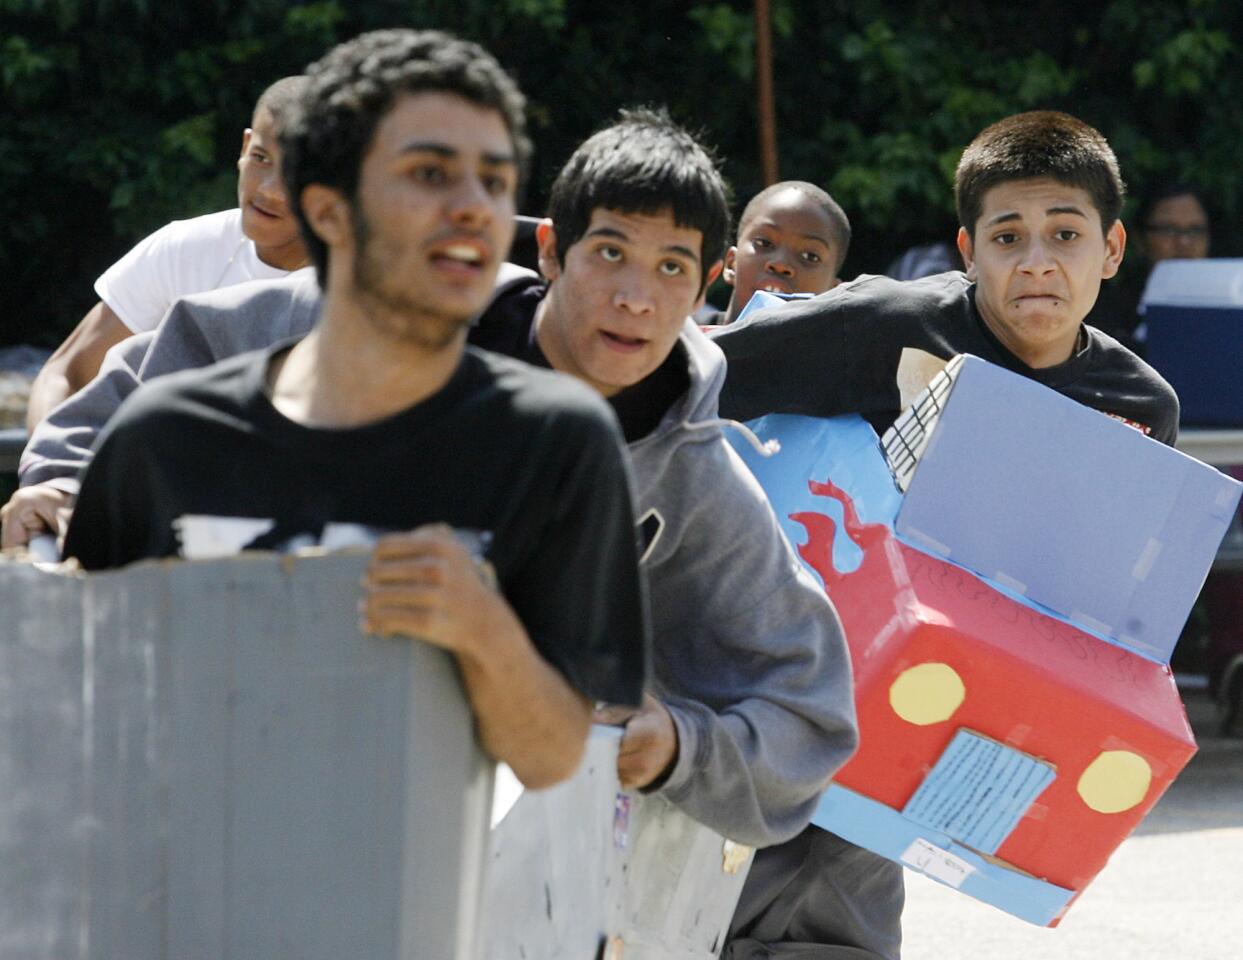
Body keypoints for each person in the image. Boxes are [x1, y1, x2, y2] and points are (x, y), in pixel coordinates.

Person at [61, 29, 648, 790]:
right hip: (173, 898)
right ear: (327, 208)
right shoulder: (163, 440)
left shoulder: (556, 443)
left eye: (495, 182)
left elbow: (553, 757)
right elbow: (79, 720)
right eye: (431, 173)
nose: (474, 210)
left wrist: (482, 629)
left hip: (414, 905)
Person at [713, 110, 1179, 958]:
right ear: (968, 252)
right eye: (1007, 235)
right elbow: (695, 371)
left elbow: (1112, 623)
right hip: (773, 697)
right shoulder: (883, 322)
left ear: (1110, 251)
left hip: (919, 734)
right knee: (689, 919)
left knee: (844, 927)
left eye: (1064, 234)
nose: (1035, 260)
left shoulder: (1139, 408)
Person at [468, 108, 858, 844]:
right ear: (551, 249)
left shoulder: (695, 482)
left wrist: (677, 744)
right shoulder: (404, 331)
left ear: (709, 279)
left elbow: (812, 715)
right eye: (609, 252)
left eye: (671, 267)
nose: (636, 297)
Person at [24, 75, 312, 431]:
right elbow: (65, 373)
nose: (271, 191)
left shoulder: (361, 287)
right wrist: (49, 475)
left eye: (297, 174)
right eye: (261, 158)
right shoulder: (184, 249)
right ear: (244, 147)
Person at [707, 181, 850, 325]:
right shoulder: (687, 339)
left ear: (831, 293)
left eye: (810, 256)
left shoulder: (844, 348)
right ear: (732, 263)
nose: (781, 264)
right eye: (764, 243)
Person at [1092, 182, 1211, 350]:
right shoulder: (1104, 314)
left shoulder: (1231, 308)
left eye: (1195, 230)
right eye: (1169, 230)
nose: (1184, 242)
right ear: (1140, 239)